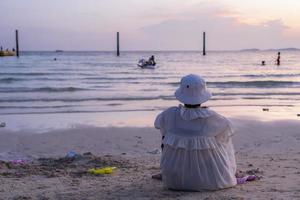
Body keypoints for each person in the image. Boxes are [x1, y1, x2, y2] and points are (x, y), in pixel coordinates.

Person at [154, 74, 237, 191]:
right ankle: (214, 170)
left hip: (174, 182)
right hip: (211, 181)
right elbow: (228, 130)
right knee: (222, 138)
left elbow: (162, 130)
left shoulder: (169, 114)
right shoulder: (212, 117)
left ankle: (168, 171)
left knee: (167, 136)